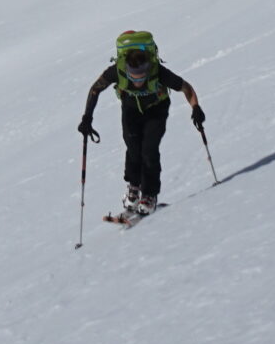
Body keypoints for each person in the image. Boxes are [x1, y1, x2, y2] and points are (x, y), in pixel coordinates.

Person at [79, 30, 202, 221]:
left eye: (141, 75)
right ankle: (134, 187)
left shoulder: (158, 72)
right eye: (133, 75)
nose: (137, 80)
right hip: (130, 111)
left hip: (156, 110)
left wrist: (196, 108)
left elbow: (187, 88)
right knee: (133, 148)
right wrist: (87, 118)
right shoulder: (116, 71)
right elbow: (95, 89)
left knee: (149, 150)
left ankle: (149, 195)